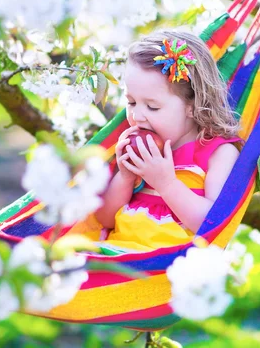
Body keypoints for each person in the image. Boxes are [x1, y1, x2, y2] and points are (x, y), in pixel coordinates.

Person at [93, 30, 241, 254]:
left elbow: (212, 226)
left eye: (152, 107)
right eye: (131, 102)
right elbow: (104, 219)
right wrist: (125, 176)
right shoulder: (139, 147)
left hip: (172, 267)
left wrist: (166, 184)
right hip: (117, 257)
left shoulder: (218, 154)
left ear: (192, 106)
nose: (137, 116)